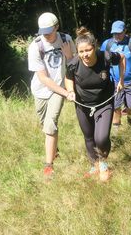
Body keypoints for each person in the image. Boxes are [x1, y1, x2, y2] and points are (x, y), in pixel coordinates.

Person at [64, 27, 125, 181]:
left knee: (101, 138)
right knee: (89, 137)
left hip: (104, 102)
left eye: (88, 50)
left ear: (95, 47)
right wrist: (70, 91)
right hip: (82, 105)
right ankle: (94, 165)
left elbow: (122, 58)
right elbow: (68, 78)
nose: (85, 55)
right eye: (81, 51)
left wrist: (121, 81)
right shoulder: (73, 63)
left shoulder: (106, 56)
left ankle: (103, 163)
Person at [27, 12, 76, 179]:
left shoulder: (66, 39)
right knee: (45, 124)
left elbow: (74, 63)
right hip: (40, 90)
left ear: (57, 27)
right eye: (43, 31)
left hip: (60, 89)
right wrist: (66, 93)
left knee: (50, 124)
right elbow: (43, 78)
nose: (46, 35)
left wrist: (69, 56)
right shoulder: (35, 46)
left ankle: (48, 166)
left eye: (49, 31)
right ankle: (55, 149)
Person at [100, 21, 131, 128]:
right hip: (114, 81)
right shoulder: (107, 44)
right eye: (114, 33)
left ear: (125, 31)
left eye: (119, 33)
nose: (116, 35)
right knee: (116, 106)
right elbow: (101, 61)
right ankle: (117, 128)